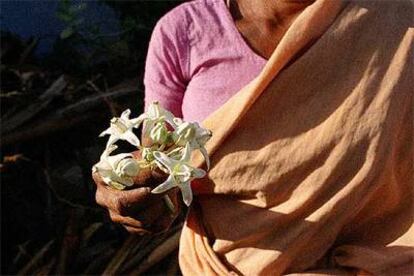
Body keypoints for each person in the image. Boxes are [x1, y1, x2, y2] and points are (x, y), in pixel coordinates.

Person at [93, 0, 413, 274]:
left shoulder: (396, 23)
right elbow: (163, 171)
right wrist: (136, 191)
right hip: (221, 267)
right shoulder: (184, 32)